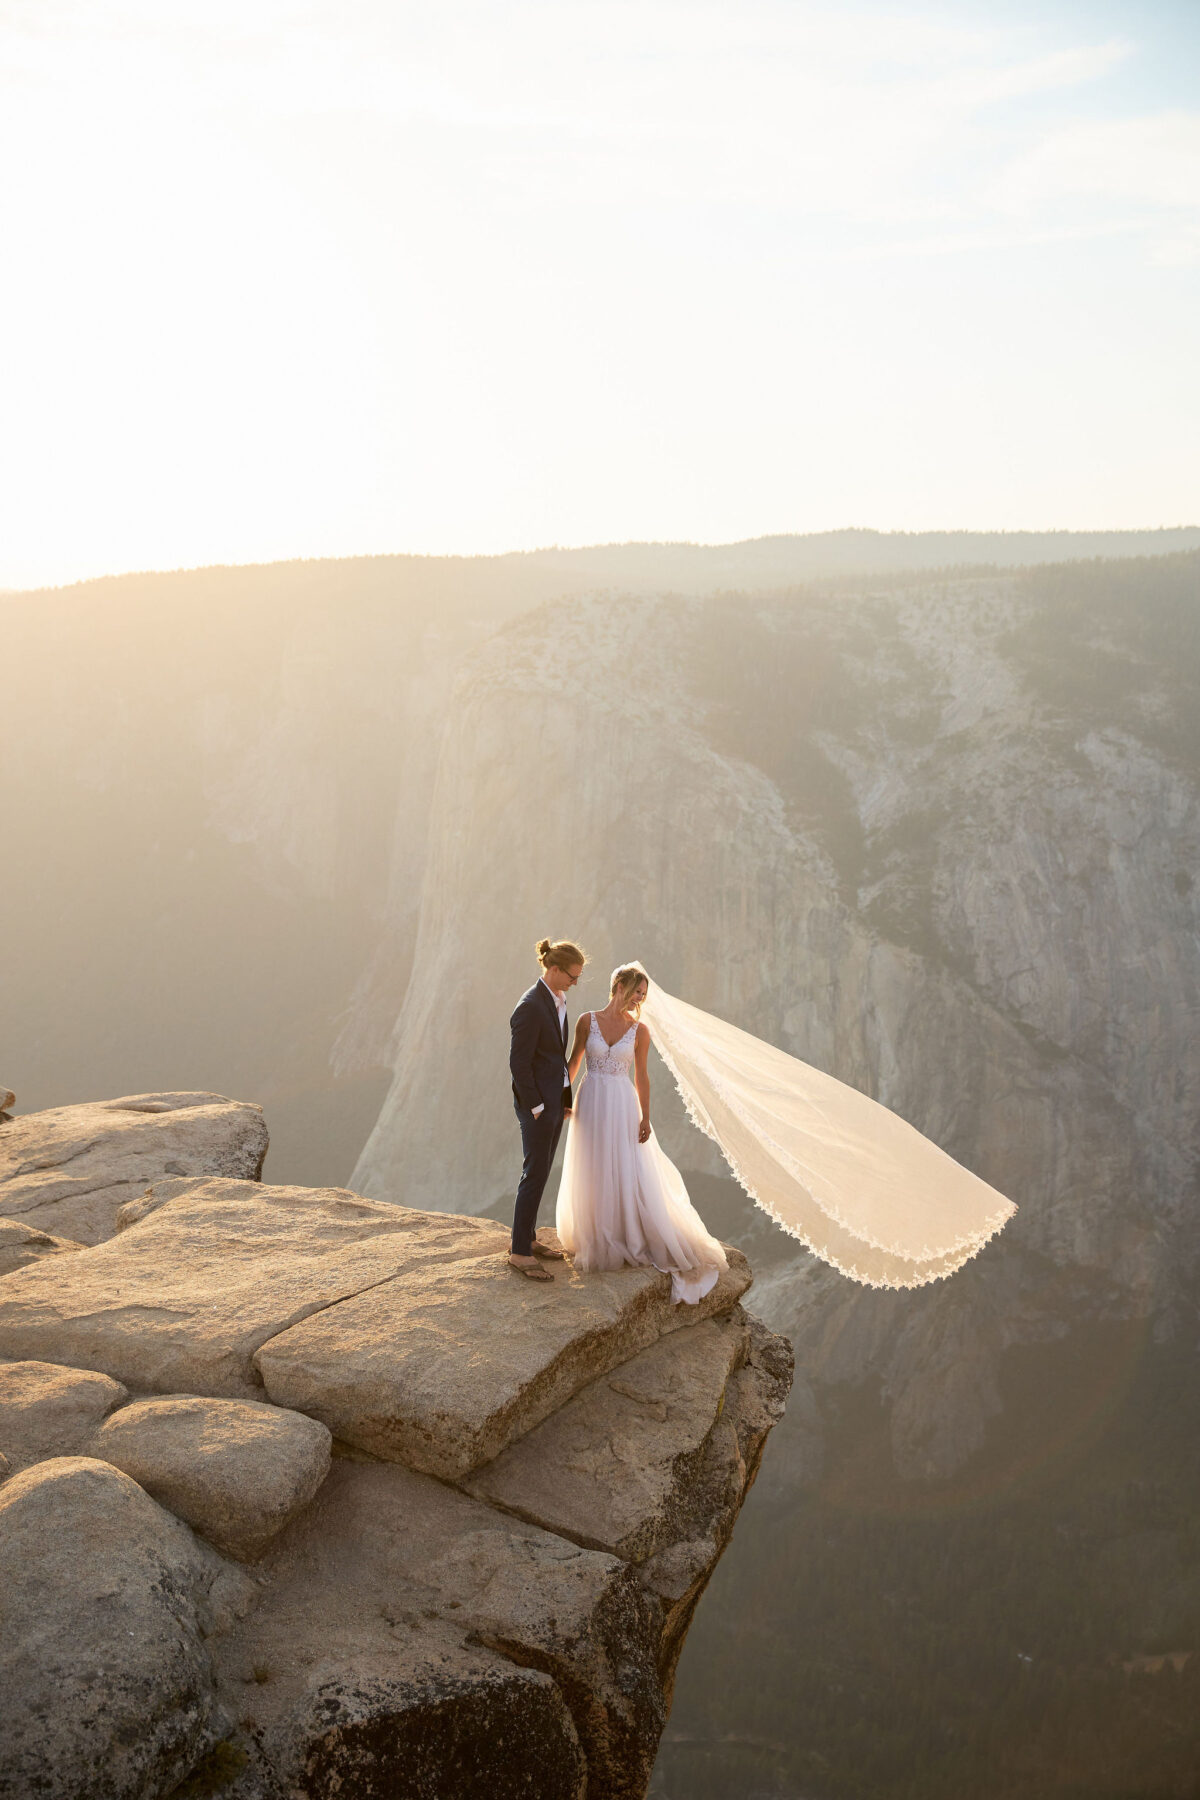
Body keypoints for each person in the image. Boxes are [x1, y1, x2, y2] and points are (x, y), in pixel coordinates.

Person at [556, 962, 728, 1305]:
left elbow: (642, 1078)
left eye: (644, 995)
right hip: (590, 1100)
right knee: (593, 1164)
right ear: (619, 984)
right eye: (637, 991)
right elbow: (572, 1062)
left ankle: (624, 1232)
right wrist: (563, 1098)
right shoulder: (586, 1021)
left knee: (624, 1165)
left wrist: (646, 1117)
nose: (640, 999)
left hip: (622, 1102)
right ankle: (597, 1232)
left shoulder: (640, 1030)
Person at [507, 937, 586, 1280]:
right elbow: (519, 1064)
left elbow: (554, 1059)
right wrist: (538, 1106)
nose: (575, 982)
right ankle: (520, 1253)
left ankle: (528, 1238)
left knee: (540, 1173)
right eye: (572, 975)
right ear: (554, 970)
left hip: (554, 1102)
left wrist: (563, 1102)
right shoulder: (529, 1006)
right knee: (534, 1174)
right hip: (537, 1106)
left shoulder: (557, 999)